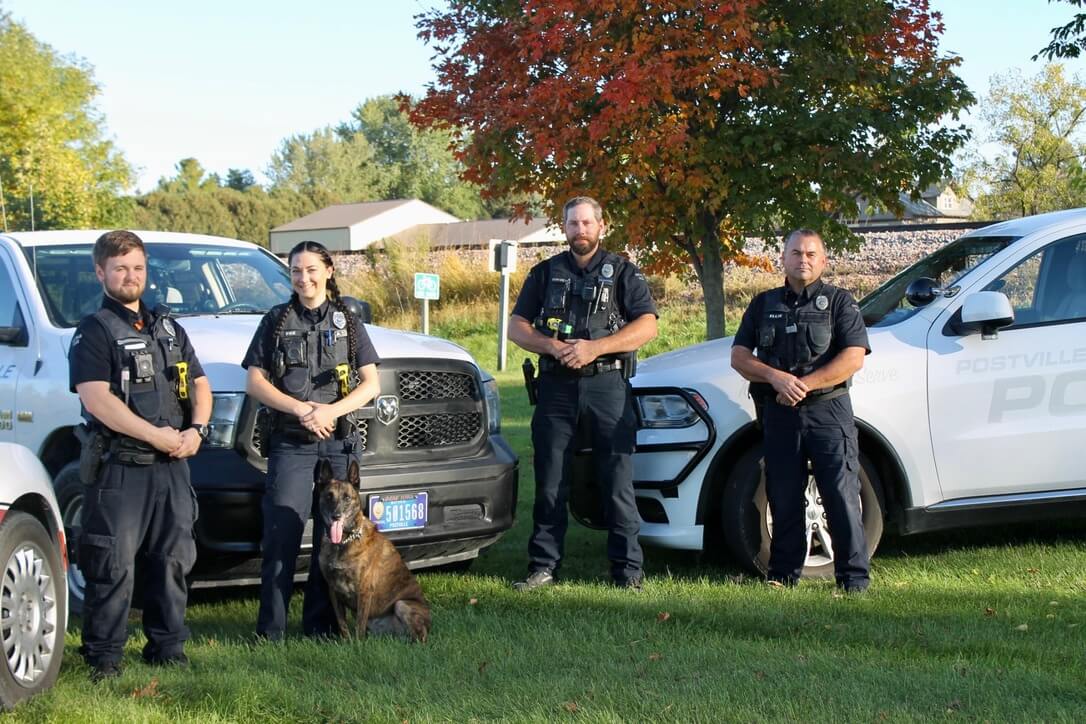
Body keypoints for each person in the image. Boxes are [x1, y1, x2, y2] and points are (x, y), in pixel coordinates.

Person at [70, 230, 212, 681]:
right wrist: (156, 436)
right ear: (101, 272)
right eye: (120, 269)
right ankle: (104, 658)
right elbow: (97, 400)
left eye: (137, 268)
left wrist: (197, 430)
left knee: (173, 560)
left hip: (173, 467)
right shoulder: (94, 331)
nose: (130, 277)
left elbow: (200, 385)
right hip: (121, 467)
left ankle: (167, 649)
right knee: (112, 565)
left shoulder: (168, 328)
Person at [508, 196, 658, 591]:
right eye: (573, 224)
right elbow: (517, 327)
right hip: (557, 386)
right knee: (551, 479)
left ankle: (627, 573)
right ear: (565, 228)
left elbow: (647, 327)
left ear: (601, 226)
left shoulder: (624, 272)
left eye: (587, 223)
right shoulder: (544, 273)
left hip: (607, 384)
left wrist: (596, 347)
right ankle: (543, 567)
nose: (580, 230)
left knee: (617, 480)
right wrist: (552, 347)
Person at [242, 240, 380, 640]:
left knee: (332, 538)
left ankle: (321, 628)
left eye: (311, 270)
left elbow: (370, 383)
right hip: (292, 443)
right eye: (296, 271)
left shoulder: (348, 322)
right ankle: (271, 632)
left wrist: (329, 412)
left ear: (329, 271)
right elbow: (255, 381)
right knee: (282, 533)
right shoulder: (275, 321)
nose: (303, 278)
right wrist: (301, 409)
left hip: (336, 443)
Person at [730, 228, 872, 592]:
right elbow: (739, 357)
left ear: (823, 261)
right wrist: (775, 377)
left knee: (840, 494)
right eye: (796, 253)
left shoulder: (841, 303)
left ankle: (853, 580)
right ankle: (782, 576)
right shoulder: (763, 305)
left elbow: (853, 358)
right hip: (779, 414)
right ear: (783, 258)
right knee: (782, 494)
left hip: (828, 412)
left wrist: (803, 385)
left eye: (811, 254)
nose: (803, 260)